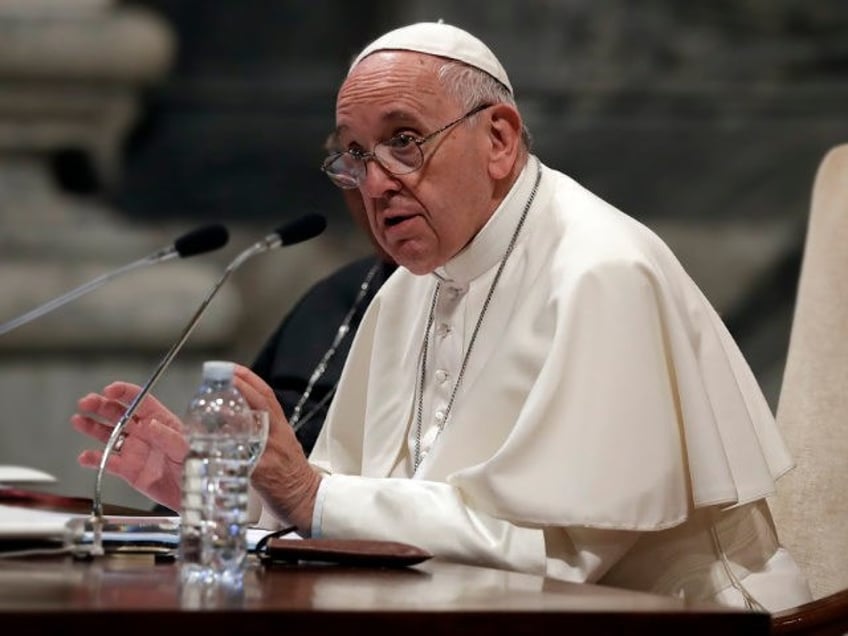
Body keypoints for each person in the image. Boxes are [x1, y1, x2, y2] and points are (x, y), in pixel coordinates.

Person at [72, 22, 812, 611]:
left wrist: (306, 494)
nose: (377, 181)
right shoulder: (410, 287)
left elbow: (553, 560)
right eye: (354, 155)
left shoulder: (599, 272)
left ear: (498, 139)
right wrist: (225, 493)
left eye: (404, 140)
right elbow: (356, 497)